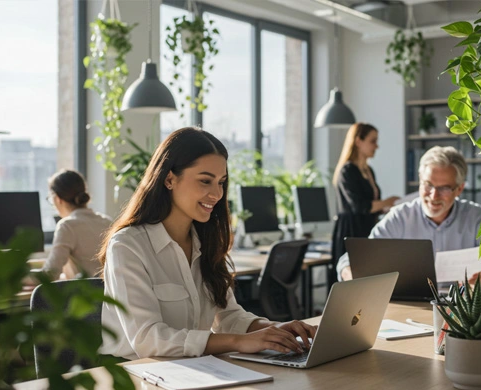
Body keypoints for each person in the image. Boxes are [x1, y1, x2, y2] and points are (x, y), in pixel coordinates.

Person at [99, 127, 316, 360]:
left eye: (221, 182)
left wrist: (271, 329)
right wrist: (240, 342)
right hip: (136, 376)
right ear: (169, 179)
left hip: (194, 371)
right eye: (205, 181)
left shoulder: (207, 241)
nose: (217, 194)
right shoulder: (127, 246)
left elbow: (229, 316)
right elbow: (147, 339)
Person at [336, 146, 481, 287]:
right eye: (428, 185)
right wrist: (351, 273)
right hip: (409, 311)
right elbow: (350, 261)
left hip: (463, 312)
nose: (434, 195)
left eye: (444, 188)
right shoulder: (399, 217)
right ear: (419, 182)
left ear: (459, 189)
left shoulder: (480, 219)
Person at [331, 122, 399, 276]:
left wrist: (388, 207)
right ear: (358, 141)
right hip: (351, 232)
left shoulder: (369, 171)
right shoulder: (347, 171)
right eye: (373, 141)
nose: (376, 146)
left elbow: (372, 204)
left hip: (367, 229)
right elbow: (359, 206)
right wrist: (387, 202)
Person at [28, 169, 111, 282]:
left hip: (83, 297)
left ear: (57, 199)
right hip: (106, 296)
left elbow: (50, 275)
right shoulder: (107, 222)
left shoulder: (67, 226)